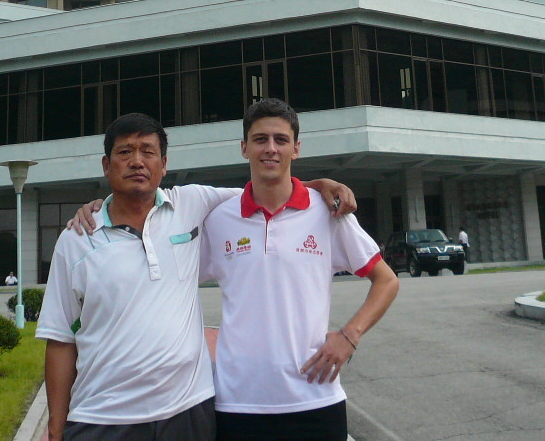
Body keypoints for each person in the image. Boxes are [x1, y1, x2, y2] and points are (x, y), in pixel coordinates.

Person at [39, 112, 357, 441]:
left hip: (189, 413)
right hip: (103, 418)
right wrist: (56, 429)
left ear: (163, 164)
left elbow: (269, 189)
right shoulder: (77, 240)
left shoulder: (190, 203)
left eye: (148, 152)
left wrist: (319, 186)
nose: (137, 161)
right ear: (107, 165)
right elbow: (60, 340)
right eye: (124, 152)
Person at [202, 99, 399, 441]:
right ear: (244, 147)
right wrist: (106, 208)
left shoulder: (328, 214)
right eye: (260, 139)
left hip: (316, 399)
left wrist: (349, 336)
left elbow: (386, 280)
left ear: (296, 148)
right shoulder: (218, 220)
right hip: (238, 403)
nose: (271, 149)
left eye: (281, 140)